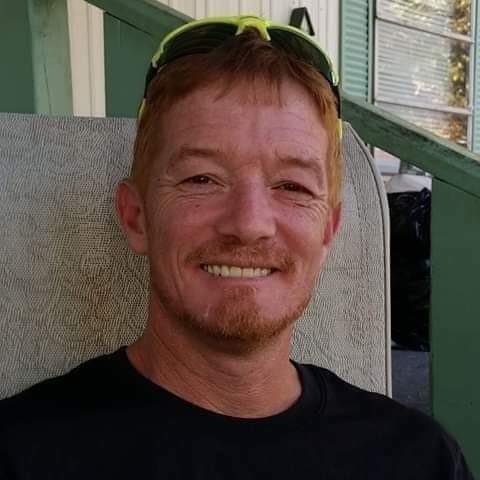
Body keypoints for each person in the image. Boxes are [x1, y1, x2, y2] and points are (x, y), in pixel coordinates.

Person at [0, 15, 474, 480]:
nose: (249, 225)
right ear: (136, 217)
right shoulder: (21, 453)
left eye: (292, 186)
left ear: (328, 230)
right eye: (201, 179)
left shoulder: (420, 459)